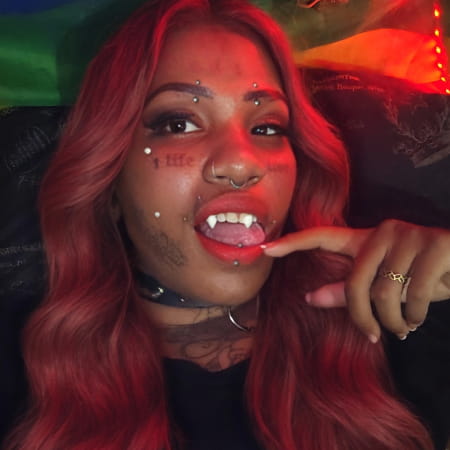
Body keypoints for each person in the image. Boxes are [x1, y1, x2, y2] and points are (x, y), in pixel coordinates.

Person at [3, 0, 448, 449]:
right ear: (110, 178)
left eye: (268, 127)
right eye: (179, 123)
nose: (241, 163)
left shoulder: (400, 320)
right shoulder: (20, 374)